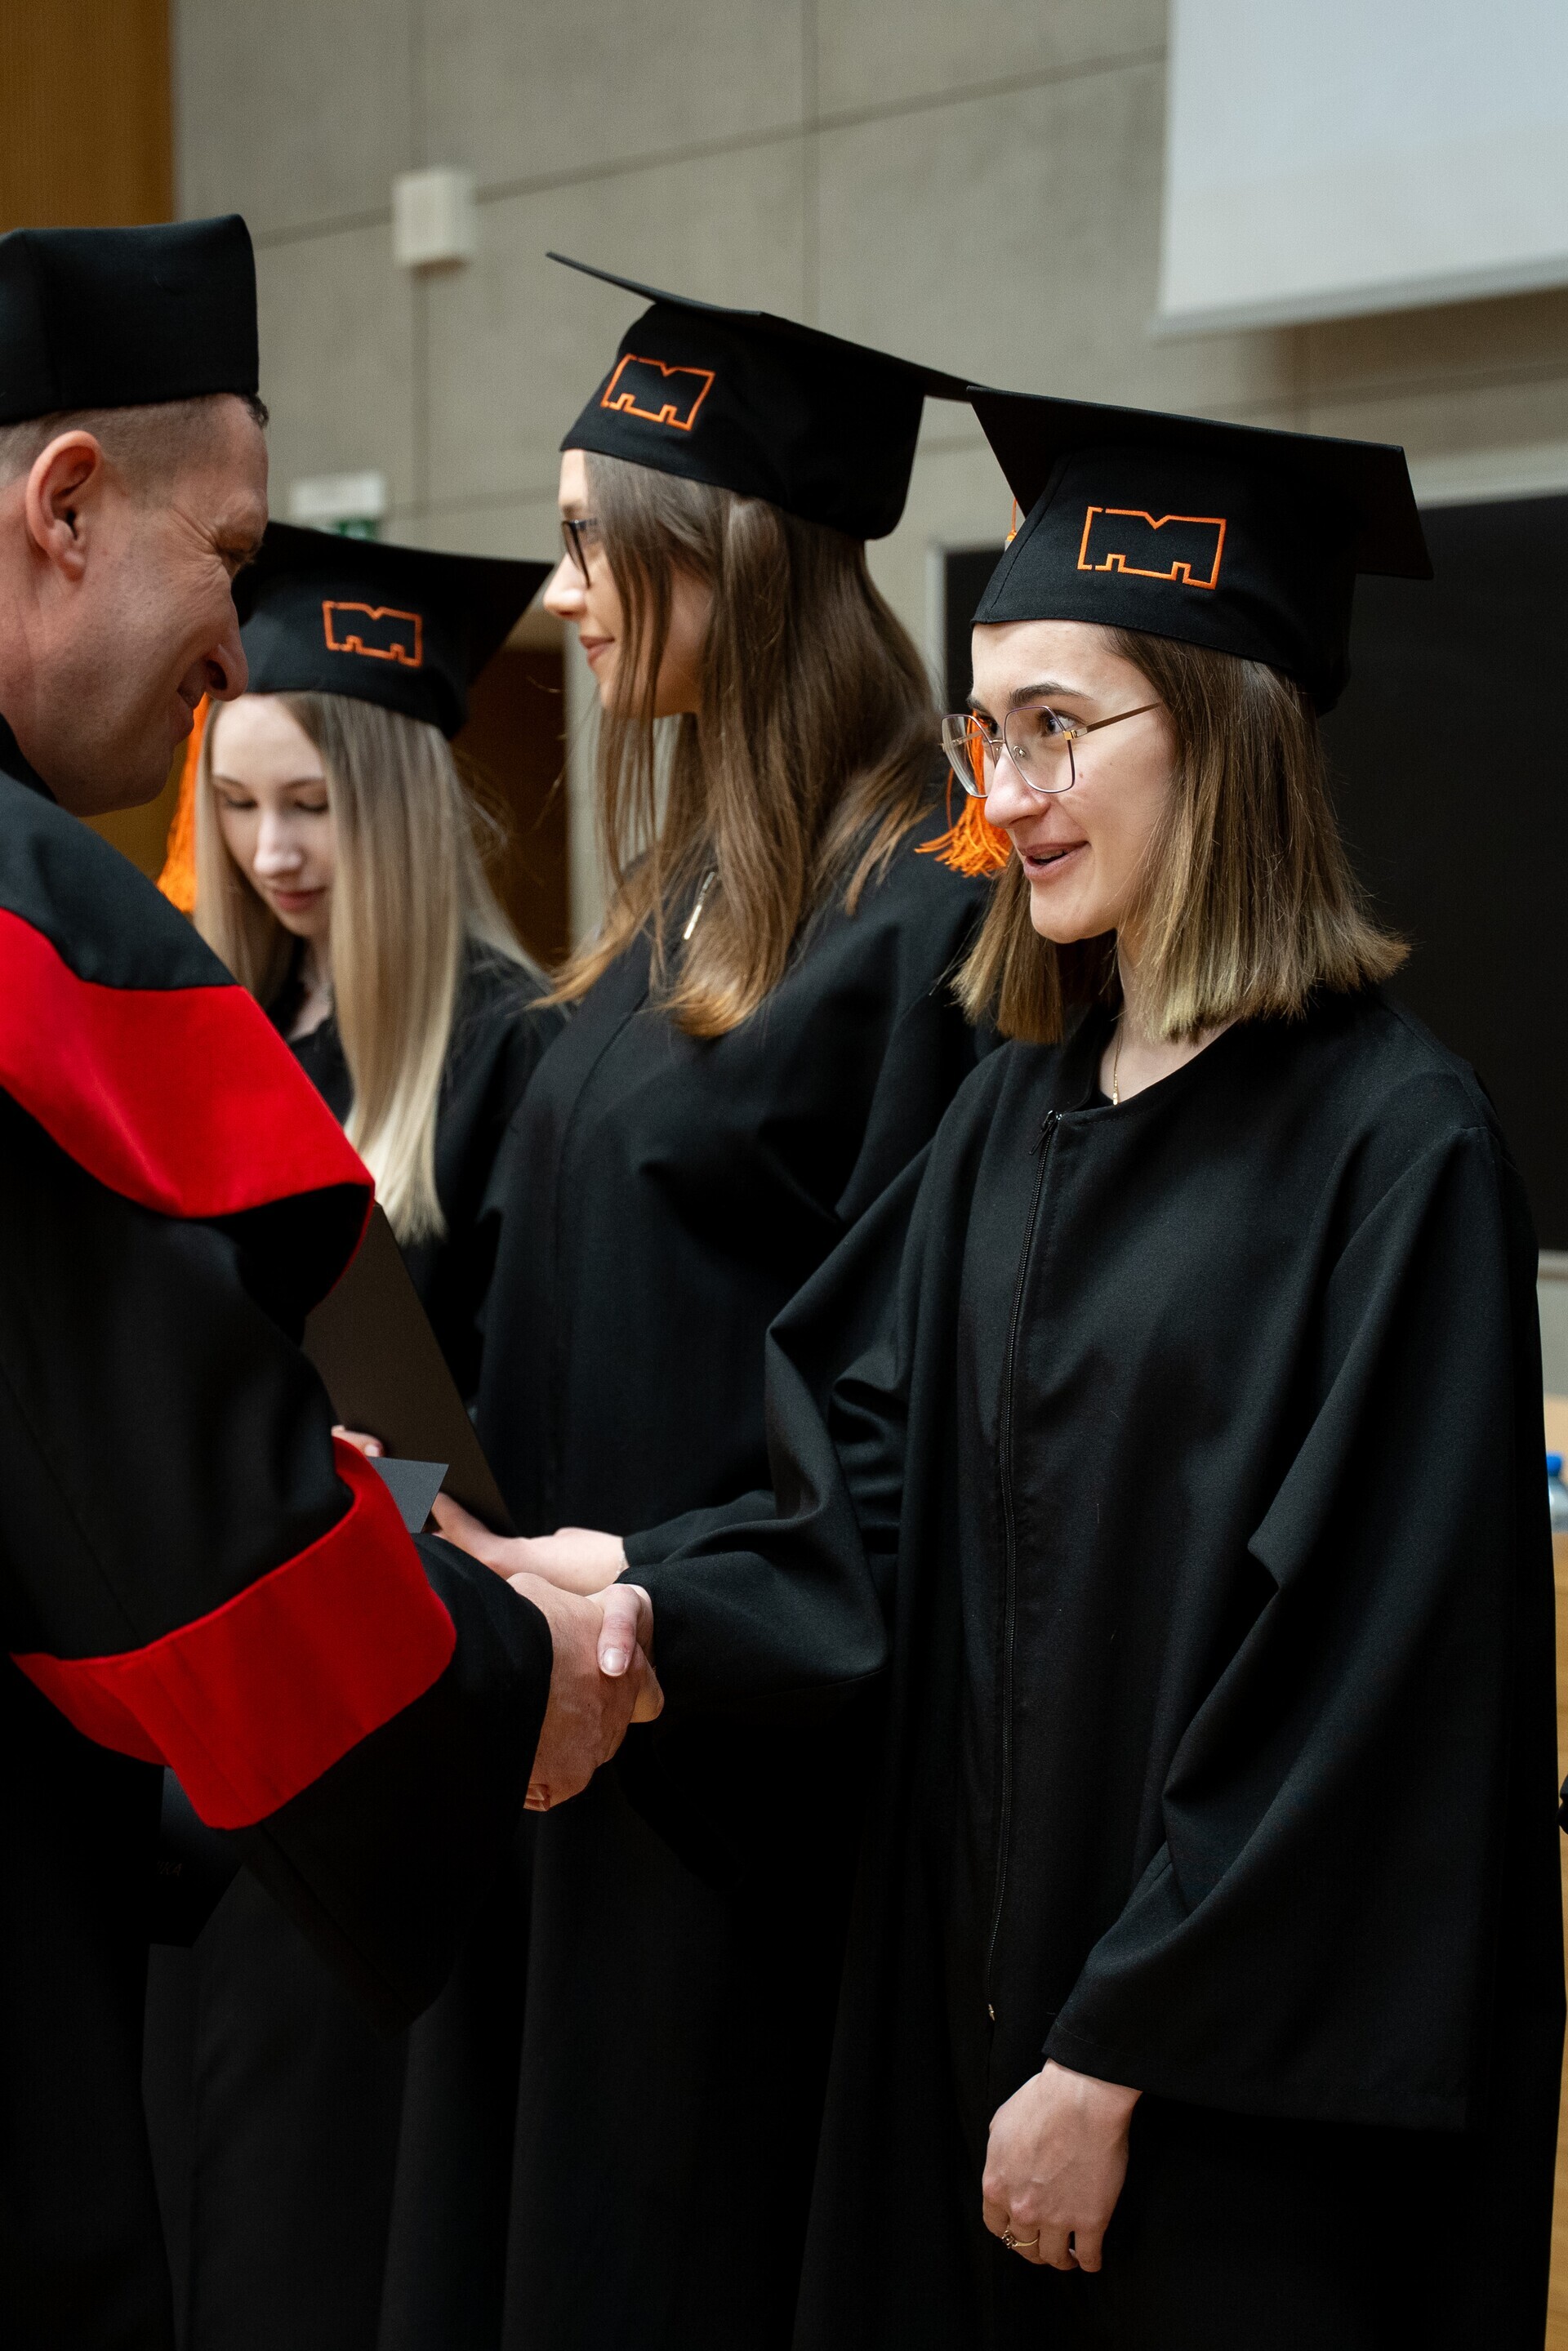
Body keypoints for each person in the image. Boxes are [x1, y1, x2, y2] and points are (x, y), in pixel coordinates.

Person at [469, 393, 1564, 2347]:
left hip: (1212, 2114)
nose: (1006, 795)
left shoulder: (1396, 1157)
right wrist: (640, 1594)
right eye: (986, 734)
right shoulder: (1014, 1118)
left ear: (1223, 730)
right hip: (973, 2060)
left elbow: (1366, 1695)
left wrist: (1117, 2054)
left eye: (1057, 727)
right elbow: (869, 1504)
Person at [0, 215, 653, 2351]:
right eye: (225, 554)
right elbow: (182, 1531)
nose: (231, 640)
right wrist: (496, 1663)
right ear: (64, 509)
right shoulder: (36, 953)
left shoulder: (518, 1062)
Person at [434, 257, 988, 2349]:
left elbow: (901, 1417)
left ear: (729, 556)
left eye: (598, 542)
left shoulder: (921, 919)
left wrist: (652, 1599)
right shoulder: (682, 895)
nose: (565, 593)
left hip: (737, 1784)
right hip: (568, 1733)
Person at [143, 526, 559, 2351]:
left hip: (387, 1694)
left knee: (320, 2224)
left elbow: (510, 1430)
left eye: (309, 807)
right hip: (217, 1697)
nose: (272, 855)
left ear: (392, 805)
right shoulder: (230, 1029)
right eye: (236, 808)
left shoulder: (510, 1058)